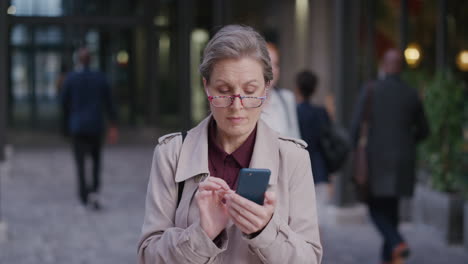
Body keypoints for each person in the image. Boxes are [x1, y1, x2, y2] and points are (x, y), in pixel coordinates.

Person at [138, 25, 322, 263]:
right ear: (206, 86)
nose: (237, 105)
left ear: (267, 87)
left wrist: (264, 231)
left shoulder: (292, 158)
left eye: (250, 90)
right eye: (224, 91)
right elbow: (148, 256)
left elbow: (309, 259)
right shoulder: (171, 154)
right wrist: (202, 234)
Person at [351, 48, 429, 264]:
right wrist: (407, 142)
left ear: (384, 66)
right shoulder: (412, 94)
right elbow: (424, 130)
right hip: (403, 162)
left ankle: (397, 242)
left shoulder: (371, 89)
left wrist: (352, 153)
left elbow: (356, 126)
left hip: (375, 161)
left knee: (374, 209)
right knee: (392, 211)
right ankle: (388, 258)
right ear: (401, 68)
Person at [61, 47, 118, 210]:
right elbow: (109, 103)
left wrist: (65, 126)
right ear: (90, 60)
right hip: (95, 126)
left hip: (77, 127)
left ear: (78, 60)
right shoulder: (99, 78)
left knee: (80, 163)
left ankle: (83, 196)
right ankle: (94, 191)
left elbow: (64, 103)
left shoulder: (71, 78)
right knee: (96, 161)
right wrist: (113, 124)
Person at [295, 70, 332, 221]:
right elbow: (328, 144)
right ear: (315, 89)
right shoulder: (321, 112)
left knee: (302, 220)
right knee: (318, 221)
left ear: (297, 88)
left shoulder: (294, 112)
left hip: (299, 171)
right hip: (320, 169)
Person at [260, 42, 301, 139]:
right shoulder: (245, 101)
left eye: (276, 64)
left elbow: (295, 137)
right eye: (268, 64)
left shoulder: (286, 98)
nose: (272, 70)